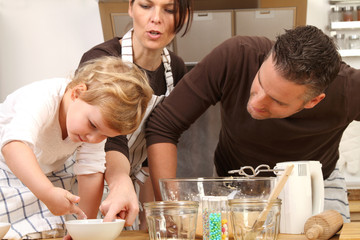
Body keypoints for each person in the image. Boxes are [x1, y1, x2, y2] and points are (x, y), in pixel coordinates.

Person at [145, 25, 360, 223]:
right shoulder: (237, 55)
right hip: (233, 186)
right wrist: (170, 211)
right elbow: (163, 125)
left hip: (316, 185)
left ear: (314, 101)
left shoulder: (349, 89)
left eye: (277, 100)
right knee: (215, 235)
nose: (256, 103)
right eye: (260, 82)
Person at [0, 56, 153, 239]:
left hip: (47, 169)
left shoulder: (92, 127)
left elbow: (91, 171)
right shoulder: (41, 98)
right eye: (93, 125)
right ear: (77, 93)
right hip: (5, 166)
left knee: (58, 216)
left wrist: (84, 225)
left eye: (105, 136)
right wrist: (47, 192)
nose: (94, 138)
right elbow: (14, 146)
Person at [78, 0, 193, 229]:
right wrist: (121, 183)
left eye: (169, 10)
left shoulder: (175, 68)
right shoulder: (102, 59)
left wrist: (154, 213)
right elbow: (111, 135)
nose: (156, 18)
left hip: (135, 180)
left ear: (184, 16)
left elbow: (158, 140)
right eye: (146, 6)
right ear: (130, 7)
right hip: (91, 178)